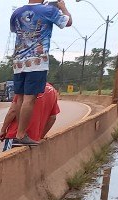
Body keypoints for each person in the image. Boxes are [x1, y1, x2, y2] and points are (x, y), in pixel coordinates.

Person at [10, 0, 72, 146]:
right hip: (37, 62)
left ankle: (19, 132)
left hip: (19, 62)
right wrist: (63, 7)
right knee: (30, 99)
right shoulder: (48, 11)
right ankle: (21, 134)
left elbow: (15, 30)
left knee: (20, 97)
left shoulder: (16, 13)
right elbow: (68, 22)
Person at [0, 83, 61, 150]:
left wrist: (3, 130)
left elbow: (13, 111)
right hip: (33, 140)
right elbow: (52, 118)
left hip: (15, 136)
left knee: (9, 159)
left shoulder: (26, 87)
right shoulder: (52, 91)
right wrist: (41, 136)